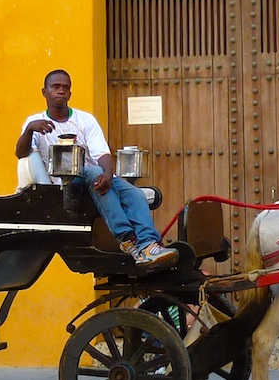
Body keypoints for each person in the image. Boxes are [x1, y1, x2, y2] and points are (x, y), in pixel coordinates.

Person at [15, 69, 178, 270]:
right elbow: (21, 154)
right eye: (56, 87)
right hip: (64, 184)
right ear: (45, 92)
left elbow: (101, 153)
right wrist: (30, 129)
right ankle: (127, 237)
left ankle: (148, 245)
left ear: (70, 94)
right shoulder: (36, 122)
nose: (61, 91)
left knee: (134, 194)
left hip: (94, 177)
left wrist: (109, 174)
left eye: (65, 88)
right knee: (92, 172)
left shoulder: (85, 120)